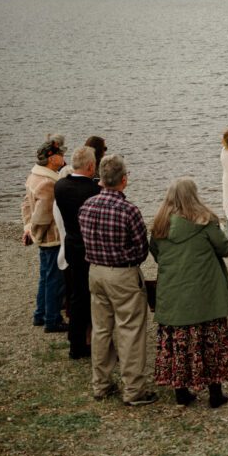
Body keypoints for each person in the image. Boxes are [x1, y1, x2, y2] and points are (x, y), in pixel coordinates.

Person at [150, 178, 228, 407]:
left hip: (174, 295)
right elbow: (225, 249)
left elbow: (157, 254)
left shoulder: (160, 226)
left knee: (178, 343)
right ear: (194, 196)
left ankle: (181, 392)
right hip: (205, 294)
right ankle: (215, 394)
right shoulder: (206, 222)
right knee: (210, 340)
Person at [78, 154, 157, 406]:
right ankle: (134, 390)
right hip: (122, 274)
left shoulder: (86, 206)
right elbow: (141, 249)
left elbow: (84, 239)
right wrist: (128, 260)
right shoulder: (129, 210)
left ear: (100, 179)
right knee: (131, 329)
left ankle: (101, 384)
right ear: (123, 180)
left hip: (95, 272)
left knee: (101, 329)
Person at [54, 146, 101, 359]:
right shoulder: (93, 191)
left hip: (71, 244)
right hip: (91, 249)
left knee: (77, 296)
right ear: (91, 166)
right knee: (96, 297)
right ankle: (95, 342)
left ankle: (75, 344)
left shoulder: (60, 186)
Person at [22, 139, 68, 333]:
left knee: (44, 276)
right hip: (52, 238)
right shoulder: (48, 183)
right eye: (61, 155)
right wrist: (36, 233)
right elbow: (43, 215)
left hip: (43, 237)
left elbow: (25, 205)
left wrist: (27, 227)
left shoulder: (34, 176)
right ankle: (52, 319)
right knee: (54, 279)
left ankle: (40, 314)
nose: (64, 157)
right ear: (52, 158)